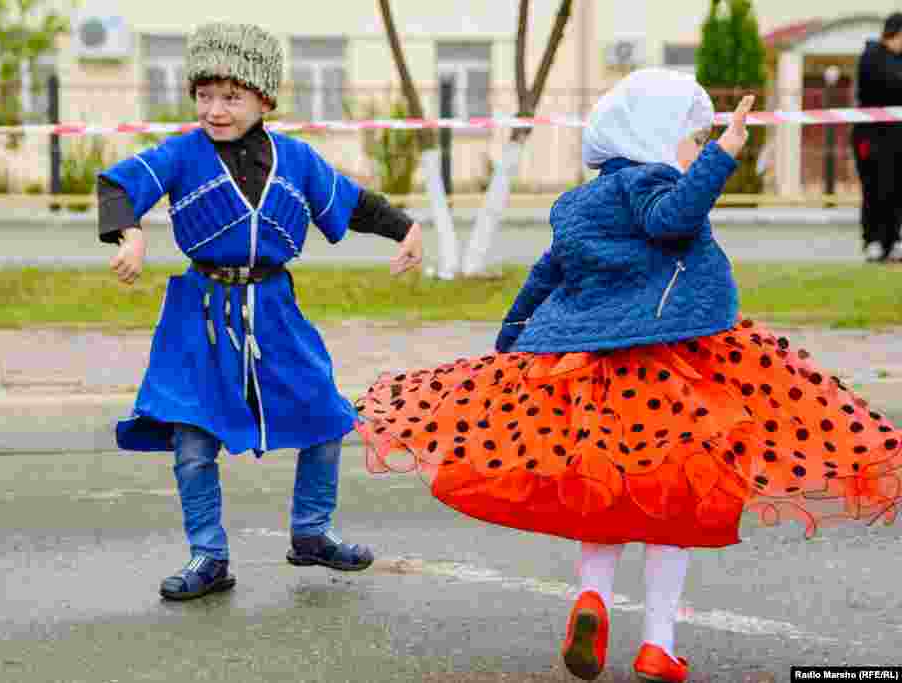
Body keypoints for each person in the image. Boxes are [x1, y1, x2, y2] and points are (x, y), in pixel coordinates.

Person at [355, 69, 902, 682]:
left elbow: (546, 275)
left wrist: (511, 341)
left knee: (604, 496)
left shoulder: (577, 201)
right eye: (691, 138)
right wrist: (725, 154)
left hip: (588, 370)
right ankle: (658, 645)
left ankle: (591, 601)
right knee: (672, 506)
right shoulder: (653, 183)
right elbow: (675, 218)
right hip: (669, 371)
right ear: (655, 135)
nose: (696, 151)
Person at [97, 21, 424, 601]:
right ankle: (208, 554)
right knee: (193, 438)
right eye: (204, 96)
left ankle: (312, 531)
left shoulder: (296, 160)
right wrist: (132, 236)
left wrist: (406, 229)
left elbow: (352, 204)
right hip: (199, 314)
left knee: (325, 414)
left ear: (264, 98)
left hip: (274, 309)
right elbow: (118, 189)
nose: (215, 110)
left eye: (231, 97)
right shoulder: (181, 154)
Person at [852, 12, 902, 262]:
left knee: (896, 190)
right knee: (875, 188)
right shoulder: (871, 56)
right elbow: (886, 87)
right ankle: (873, 240)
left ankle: (893, 241)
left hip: (897, 137)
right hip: (871, 136)